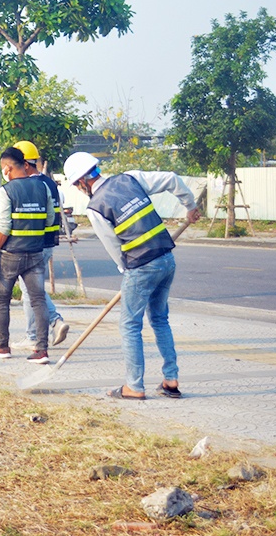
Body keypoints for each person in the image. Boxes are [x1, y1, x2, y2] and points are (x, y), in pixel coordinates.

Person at [63, 152, 200, 400]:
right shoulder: (130, 179)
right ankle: (171, 380)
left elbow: (115, 249)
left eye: (75, 184)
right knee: (159, 319)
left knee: (129, 324)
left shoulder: (96, 208)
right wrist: (190, 206)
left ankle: (134, 387)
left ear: (82, 181)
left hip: (141, 266)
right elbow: (171, 178)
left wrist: (127, 273)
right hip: (166, 258)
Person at [0, 147, 55, 364]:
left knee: (1, 300)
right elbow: (50, 219)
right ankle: (41, 350)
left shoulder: (6, 190)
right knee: (38, 300)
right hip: (35, 252)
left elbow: (4, 227)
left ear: (7, 167)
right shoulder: (43, 186)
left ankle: (2, 345)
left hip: (10, 255)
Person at [10, 141, 70, 350]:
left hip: (33, 244)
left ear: (26, 165)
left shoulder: (30, 186)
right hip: (48, 243)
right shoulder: (50, 183)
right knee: (33, 289)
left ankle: (39, 331)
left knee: (29, 291)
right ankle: (49, 324)